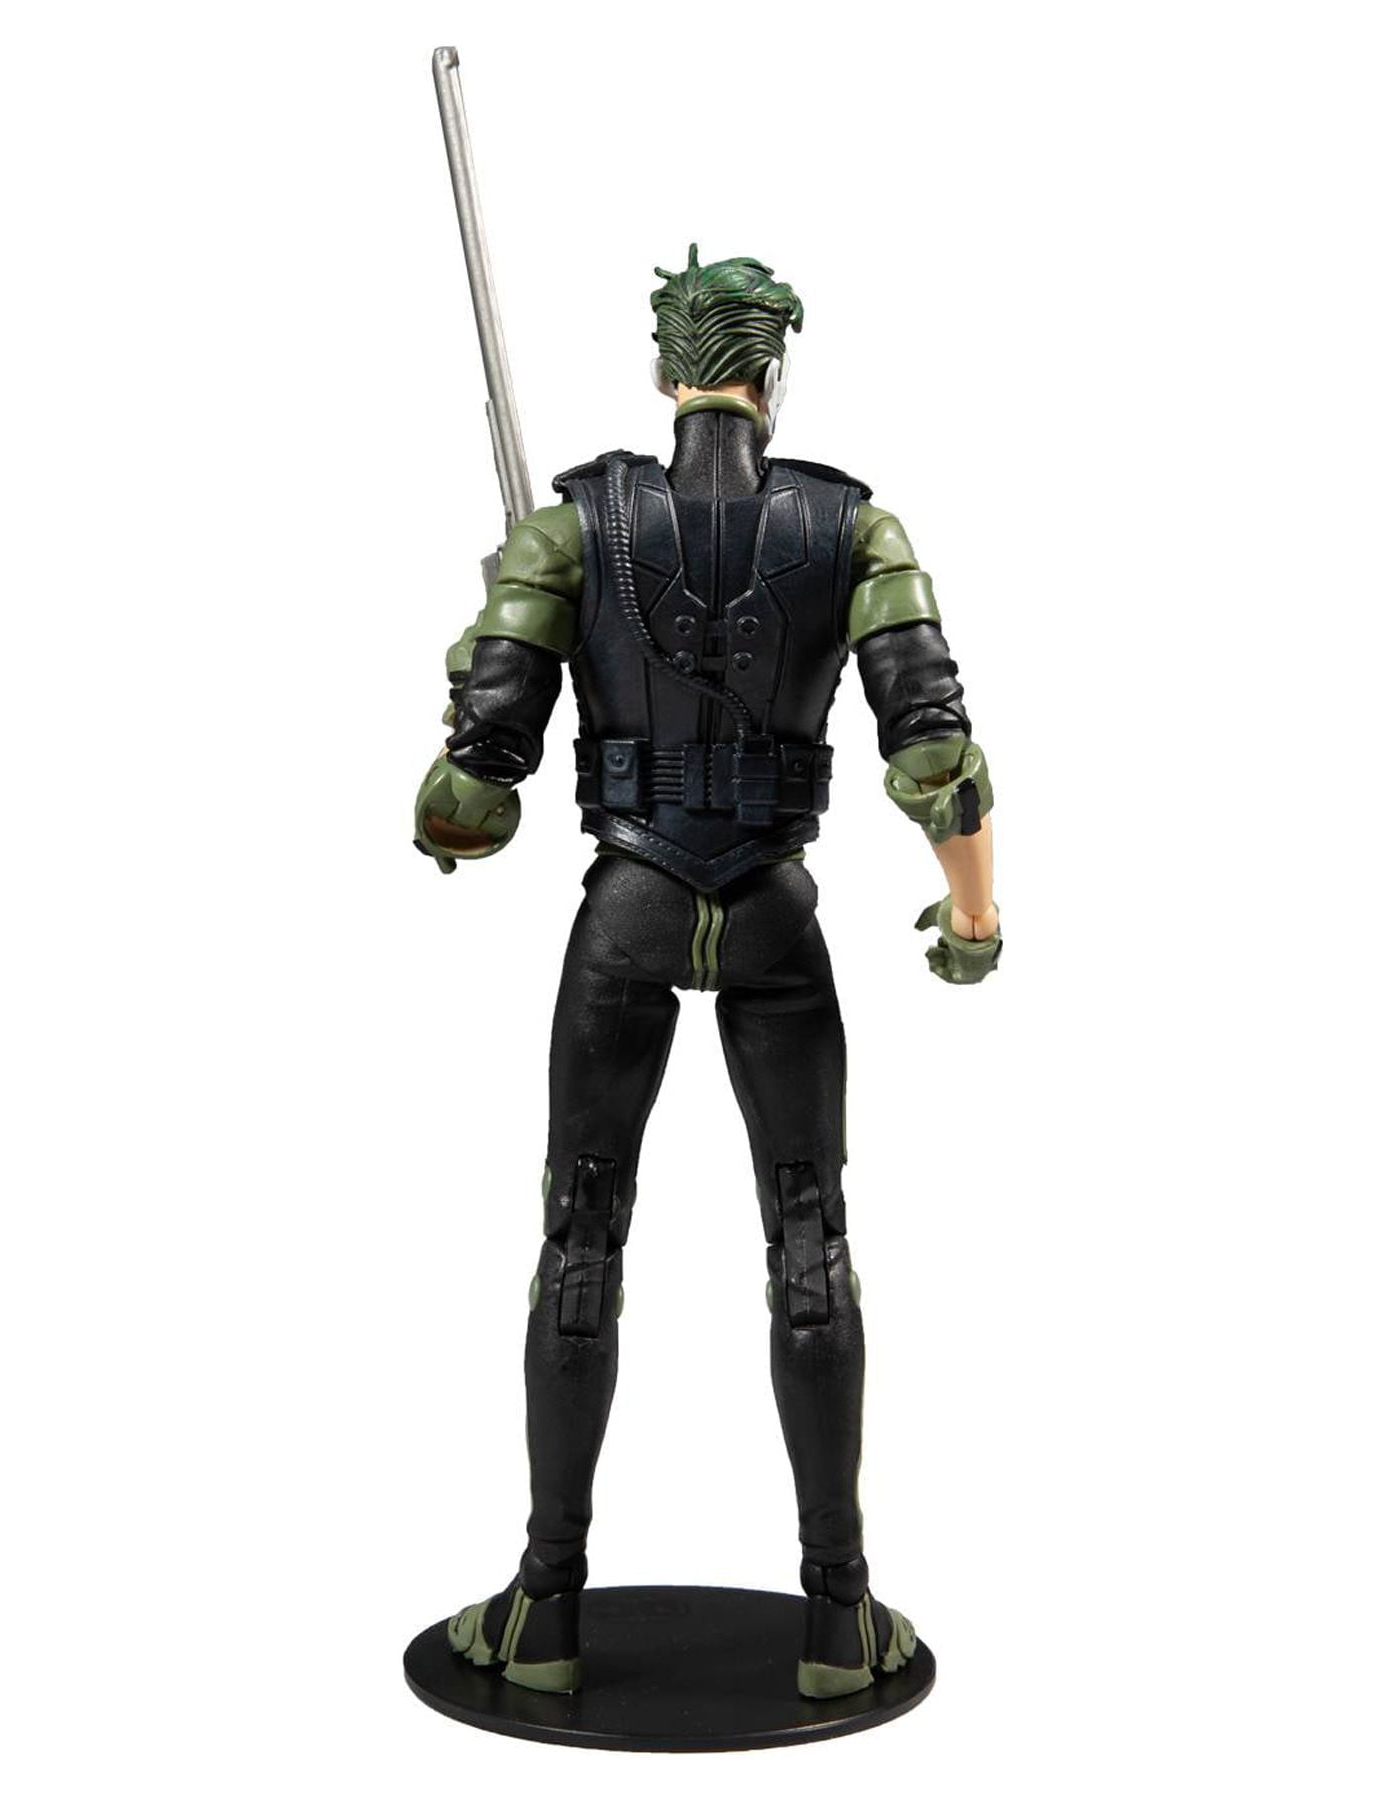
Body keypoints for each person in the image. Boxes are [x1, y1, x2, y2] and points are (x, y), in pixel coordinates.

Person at [413, 246, 1000, 1698]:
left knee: (580, 1242)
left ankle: (545, 1615)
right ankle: (838, 1622)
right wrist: (973, 918)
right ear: (771, 375)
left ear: (663, 375)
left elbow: (467, 806)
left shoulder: (575, 529)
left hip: (627, 905)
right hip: (774, 912)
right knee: (811, 1244)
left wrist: (483, 671)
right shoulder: (857, 530)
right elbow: (935, 746)